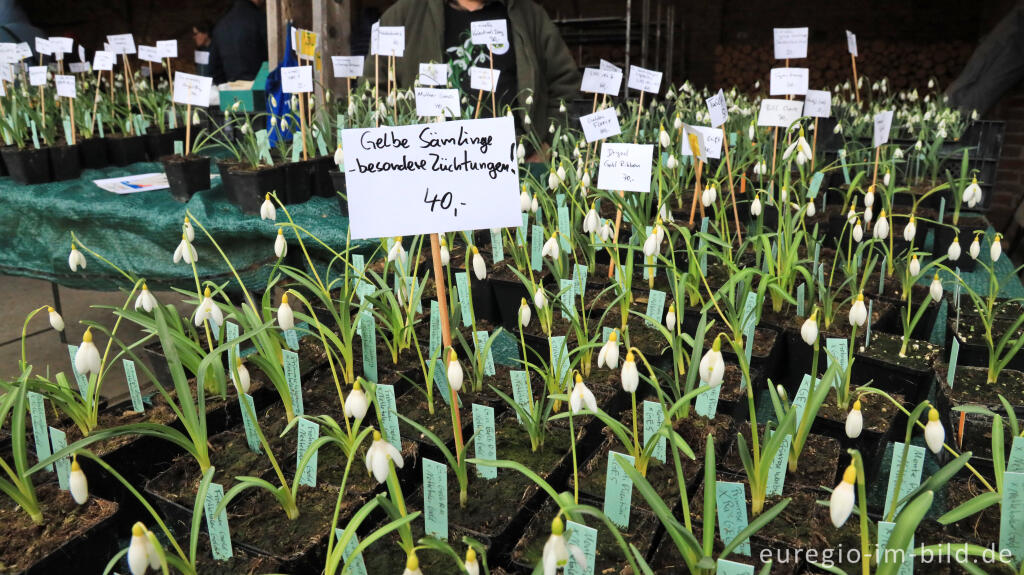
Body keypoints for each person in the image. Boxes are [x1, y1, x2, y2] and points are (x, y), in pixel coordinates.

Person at [366, 0, 579, 146]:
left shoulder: (529, 16)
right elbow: (374, 93)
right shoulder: (403, 15)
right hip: (429, 164)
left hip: (516, 165)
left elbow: (564, 84)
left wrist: (546, 146)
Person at [209, 0, 268, 85]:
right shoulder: (262, 20)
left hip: (232, 94)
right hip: (261, 89)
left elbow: (214, 69)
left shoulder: (220, 26)